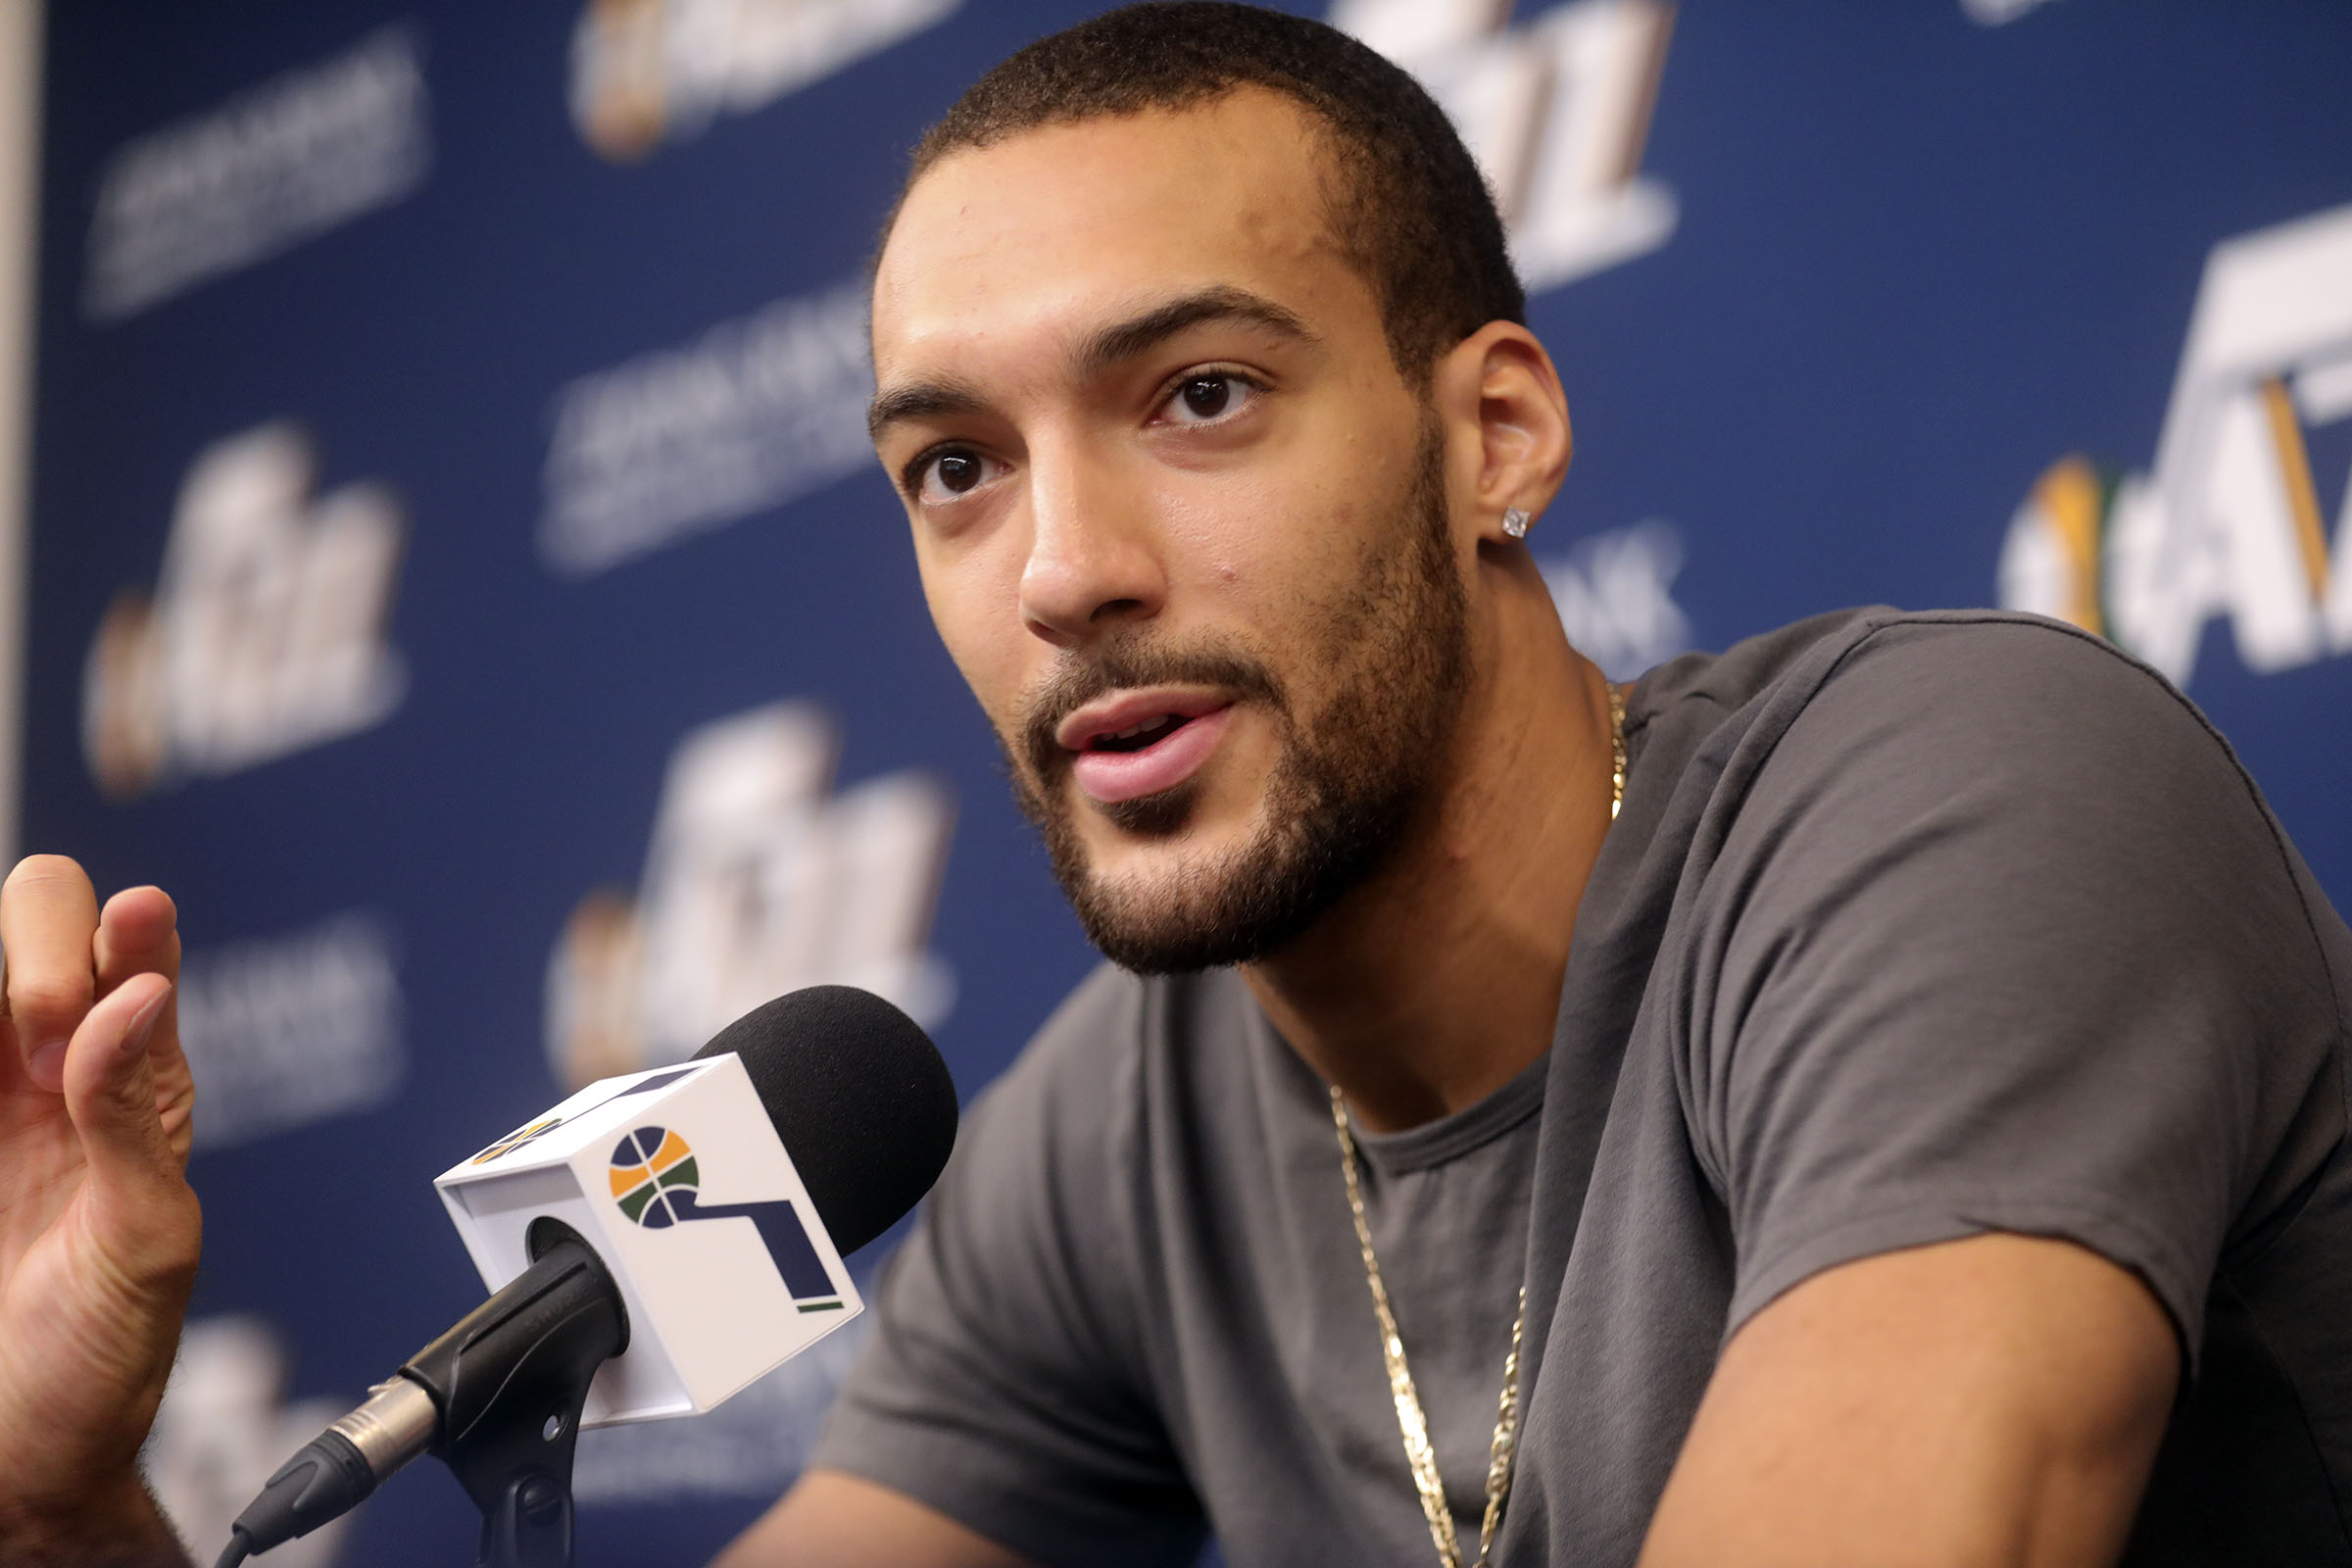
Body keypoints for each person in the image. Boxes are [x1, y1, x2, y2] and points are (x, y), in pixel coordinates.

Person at [3, 5, 2349, 1565]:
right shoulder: (1122, 1130)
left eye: (1201, 396)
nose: (1064, 571)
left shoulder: (1961, 805)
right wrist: (67, 1506)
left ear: (1493, 435)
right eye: (955, 465)